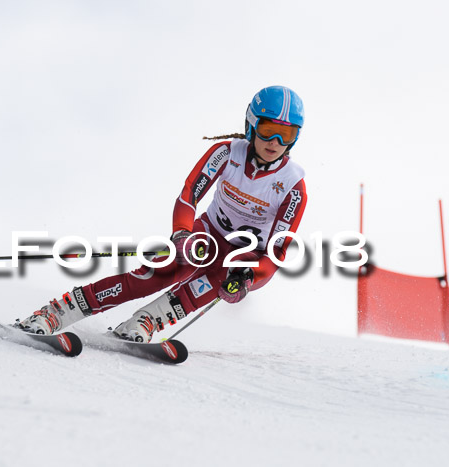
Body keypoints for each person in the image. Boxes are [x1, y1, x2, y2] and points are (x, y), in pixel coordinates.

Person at [18, 85, 308, 342]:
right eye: (269, 130)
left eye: (287, 134)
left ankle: (144, 322)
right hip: (208, 233)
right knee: (161, 272)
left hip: (245, 254)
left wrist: (250, 277)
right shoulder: (227, 152)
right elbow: (189, 194)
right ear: (252, 125)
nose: (276, 143)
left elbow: (277, 251)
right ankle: (56, 313)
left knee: (215, 282)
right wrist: (182, 233)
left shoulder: (293, 185)